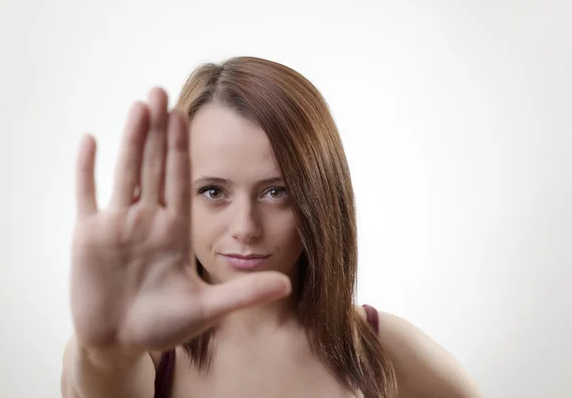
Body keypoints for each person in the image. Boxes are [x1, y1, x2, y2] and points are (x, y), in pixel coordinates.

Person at [61, 56, 481, 398]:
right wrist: (103, 353)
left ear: (320, 199)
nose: (245, 228)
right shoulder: (145, 355)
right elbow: (103, 381)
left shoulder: (380, 347)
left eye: (275, 192)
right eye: (212, 192)